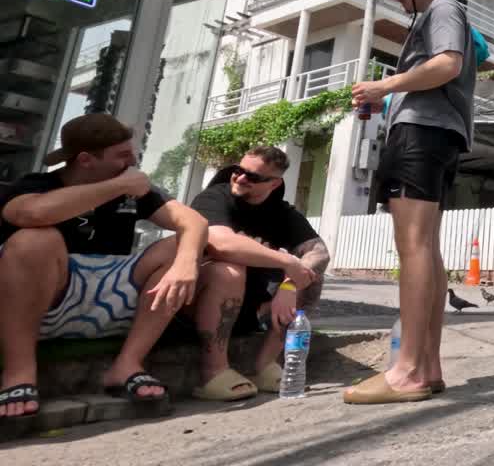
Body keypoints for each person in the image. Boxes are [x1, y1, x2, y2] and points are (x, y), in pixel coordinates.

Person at [0, 114, 208, 420]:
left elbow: (194, 221)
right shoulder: (35, 185)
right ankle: (18, 371)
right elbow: (32, 214)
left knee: (181, 246)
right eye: (122, 155)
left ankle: (128, 364)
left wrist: (186, 265)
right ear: (85, 159)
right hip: (46, 300)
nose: (133, 160)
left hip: (111, 299)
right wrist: (118, 185)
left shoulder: (134, 191)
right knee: (34, 240)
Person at [345, 0, 476, 405]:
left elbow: (447, 65)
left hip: (421, 135)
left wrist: (385, 87)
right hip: (435, 133)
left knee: (414, 246)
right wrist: (389, 98)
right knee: (428, 250)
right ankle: (429, 367)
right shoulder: (439, 13)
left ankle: (406, 371)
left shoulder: (442, 8)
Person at [186, 146, 330, 400]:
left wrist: (290, 284)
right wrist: (288, 262)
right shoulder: (213, 198)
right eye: (238, 171)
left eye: (253, 177)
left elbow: (318, 252)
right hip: (198, 301)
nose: (240, 178)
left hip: (252, 304)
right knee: (229, 270)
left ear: (274, 184)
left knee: (310, 275)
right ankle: (213, 372)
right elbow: (223, 245)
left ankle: (264, 365)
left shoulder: (281, 212)